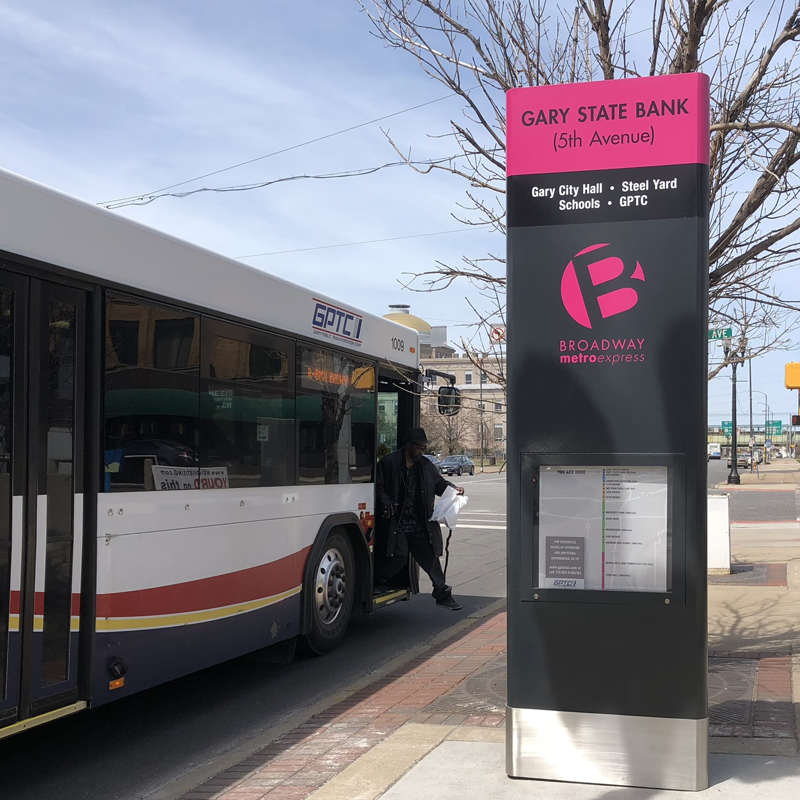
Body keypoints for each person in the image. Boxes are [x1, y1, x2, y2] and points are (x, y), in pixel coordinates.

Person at [375, 427, 466, 611]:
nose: (422, 451)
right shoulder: (389, 463)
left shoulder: (425, 465)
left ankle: (443, 594)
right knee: (399, 556)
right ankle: (375, 579)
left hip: (419, 522)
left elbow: (439, 483)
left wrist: (453, 488)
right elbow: (378, 487)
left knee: (430, 558)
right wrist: (386, 502)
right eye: (419, 447)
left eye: (424, 448)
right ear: (409, 445)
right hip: (398, 522)